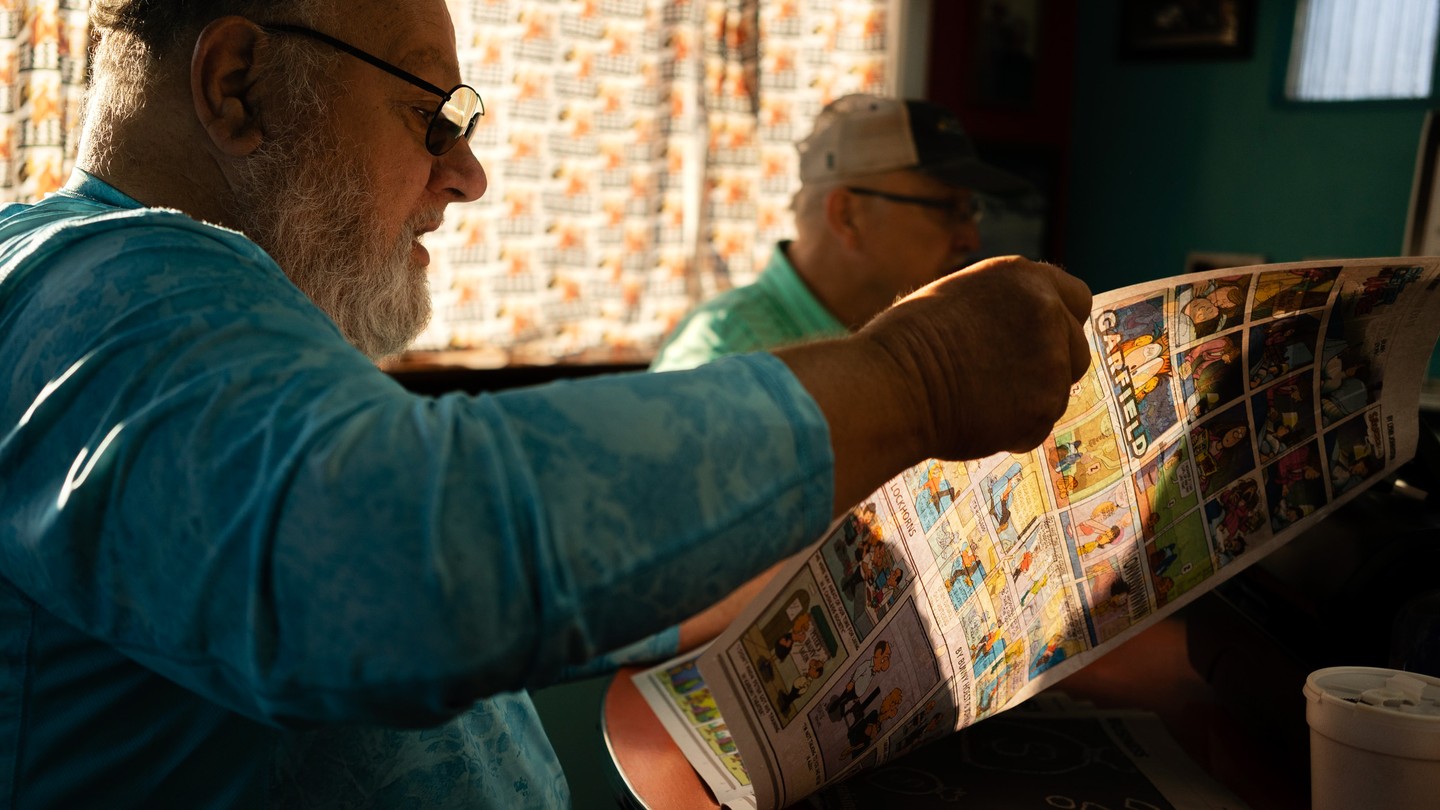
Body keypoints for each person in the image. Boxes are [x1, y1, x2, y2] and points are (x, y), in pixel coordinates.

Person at [0, 1, 1092, 807]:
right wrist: (919, 380)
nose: (468, 175)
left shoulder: (205, 317)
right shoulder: (98, 287)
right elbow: (402, 557)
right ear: (236, 84)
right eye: (436, 115)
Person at [651, 92, 1030, 372]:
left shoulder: (918, 337)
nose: (971, 240)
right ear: (848, 215)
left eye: (971, 211)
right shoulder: (719, 356)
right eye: (949, 209)